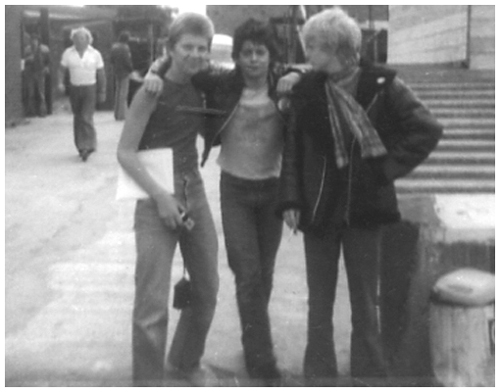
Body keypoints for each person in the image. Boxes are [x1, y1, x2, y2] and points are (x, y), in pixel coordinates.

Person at [276, 7, 443, 386]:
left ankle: (368, 377)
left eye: (314, 47)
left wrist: (384, 169)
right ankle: (319, 377)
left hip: (366, 209)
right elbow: (292, 150)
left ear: (337, 48)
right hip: (319, 209)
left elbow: (426, 129)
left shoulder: (384, 85)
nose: (307, 55)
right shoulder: (306, 89)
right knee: (319, 303)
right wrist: (289, 200)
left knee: (365, 303)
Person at [144, 18, 302, 386]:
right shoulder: (224, 81)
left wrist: (294, 73)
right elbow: (182, 62)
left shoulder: (284, 84)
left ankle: (254, 339)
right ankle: (262, 359)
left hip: (272, 190)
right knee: (247, 276)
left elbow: (310, 75)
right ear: (236, 56)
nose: (252, 60)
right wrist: (155, 67)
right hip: (236, 190)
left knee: (264, 275)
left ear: (270, 55)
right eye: (245, 53)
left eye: (260, 52)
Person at [117, 13, 219, 387]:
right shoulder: (151, 90)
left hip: (194, 190)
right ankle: (147, 382)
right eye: (187, 47)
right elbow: (125, 152)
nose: (195, 54)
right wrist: (160, 197)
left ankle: (182, 361)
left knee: (207, 288)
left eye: (202, 48)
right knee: (151, 304)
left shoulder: (204, 85)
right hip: (155, 195)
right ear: (170, 48)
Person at [58, 26, 106, 162]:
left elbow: (101, 73)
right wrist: (60, 83)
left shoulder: (95, 54)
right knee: (78, 117)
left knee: (86, 116)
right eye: (76, 38)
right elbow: (61, 70)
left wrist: (102, 90)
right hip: (75, 88)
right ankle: (81, 146)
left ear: (88, 39)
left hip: (90, 87)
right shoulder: (68, 53)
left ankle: (88, 144)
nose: (78, 40)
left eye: (81, 37)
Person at [23, 33, 50, 117]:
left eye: (35, 40)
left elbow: (48, 60)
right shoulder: (27, 49)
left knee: (41, 93)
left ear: (38, 41)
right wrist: (28, 59)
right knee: (31, 92)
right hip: (30, 72)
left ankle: (42, 112)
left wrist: (46, 67)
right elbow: (23, 61)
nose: (34, 42)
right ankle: (32, 112)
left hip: (40, 72)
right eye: (32, 40)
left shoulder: (44, 49)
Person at [110, 31, 133, 120]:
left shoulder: (114, 47)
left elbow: (111, 60)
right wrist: (131, 69)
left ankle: (116, 113)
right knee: (123, 94)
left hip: (116, 72)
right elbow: (127, 61)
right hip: (125, 72)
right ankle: (121, 115)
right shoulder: (125, 48)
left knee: (118, 93)